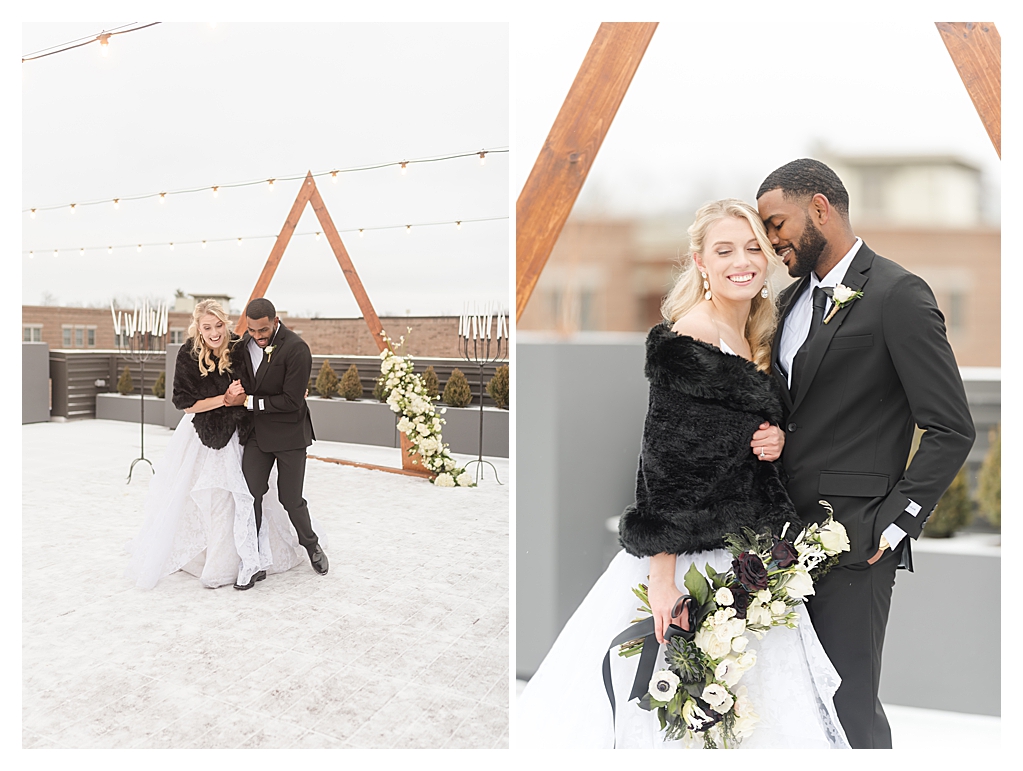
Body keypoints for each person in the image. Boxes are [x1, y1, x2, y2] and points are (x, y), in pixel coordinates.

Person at [517, 199, 849, 749]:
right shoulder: (693, 336)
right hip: (693, 562)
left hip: (741, 555)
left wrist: (773, 438)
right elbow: (664, 465)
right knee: (680, 726)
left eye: (752, 249)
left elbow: (727, 440)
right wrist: (663, 579)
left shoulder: (751, 334)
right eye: (724, 251)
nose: (740, 261)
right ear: (700, 262)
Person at [755, 159, 975, 748]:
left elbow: (952, 427)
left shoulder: (899, 295)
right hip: (778, 541)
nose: (770, 239)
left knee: (847, 707)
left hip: (857, 545)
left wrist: (894, 524)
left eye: (777, 223)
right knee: (792, 704)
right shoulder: (787, 304)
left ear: (820, 208)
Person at [125, 299, 313, 589]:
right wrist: (223, 400)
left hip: (241, 433)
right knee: (209, 499)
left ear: (226, 323)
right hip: (202, 435)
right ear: (198, 328)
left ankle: (249, 557)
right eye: (207, 327)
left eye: (218, 326)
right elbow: (185, 404)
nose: (214, 333)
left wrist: (294, 388)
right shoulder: (188, 355)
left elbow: (258, 383)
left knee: (245, 497)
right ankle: (212, 556)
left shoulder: (240, 347)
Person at [226, 297, 328, 585]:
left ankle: (311, 545)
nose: (257, 337)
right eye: (252, 331)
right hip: (257, 435)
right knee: (250, 494)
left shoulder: (297, 350)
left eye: (263, 331)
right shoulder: (242, 346)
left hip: (290, 435)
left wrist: (247, 401)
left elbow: (292, 401)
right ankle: (255, 559)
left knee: (290, 498)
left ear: (276, 321)